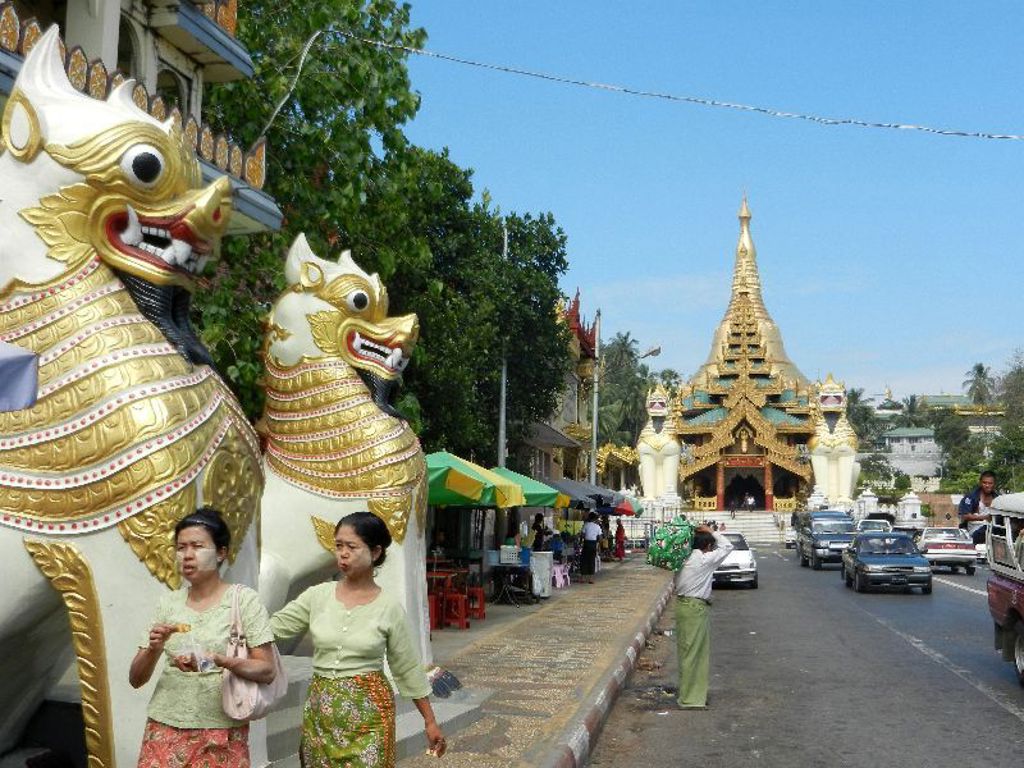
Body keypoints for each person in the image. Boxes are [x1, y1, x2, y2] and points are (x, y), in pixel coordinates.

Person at [270, 511, 445, 766]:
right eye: (338, 546)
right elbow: (272, 628)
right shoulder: (317, 596)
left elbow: (406, 667)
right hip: (321, 715)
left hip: (370, 715)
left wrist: (429, 721)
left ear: (374, 552)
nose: (342, 553)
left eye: (351, 546)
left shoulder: (389, 608)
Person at [130, 508, 277, 768]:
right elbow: (136, 679)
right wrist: (153, 648)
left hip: (220, 732)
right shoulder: (168, 603)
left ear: (221, 552)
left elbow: (266, 670)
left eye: (197, 546)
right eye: (180, 547)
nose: (187, 556)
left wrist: (221, 660)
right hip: (163, 728)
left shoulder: (243, 601)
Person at [674, 525, 734, 709]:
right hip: (695, 609)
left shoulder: (683, 559)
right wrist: (711, 530)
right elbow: (727, 546)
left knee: (687, 652)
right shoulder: (704, 560)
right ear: (707, 546)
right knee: (695, 654)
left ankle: (689, 695)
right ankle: (691, 699)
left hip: (683, 606)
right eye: (711, 546)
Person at [959, 470, 999, 545]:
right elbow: (965, 516)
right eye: (984, 483)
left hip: (993, 530)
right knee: (987, 530)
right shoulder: (971, 497)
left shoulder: (998, 498)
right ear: (980, 483)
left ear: (994, 484)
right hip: (974, 531)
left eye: (990, 483)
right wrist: (984, 517)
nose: (987, 485)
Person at [580, 512, 602, 583]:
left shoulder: (586, 525)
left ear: (589, 518)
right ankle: (591, 579)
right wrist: (597, 542)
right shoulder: (598, 527)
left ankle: (583, 578)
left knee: (584, 561)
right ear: (595, 519)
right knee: (592, 561)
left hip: (586, 544)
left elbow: (582, 535)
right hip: (593, 544)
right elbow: (600, 538)